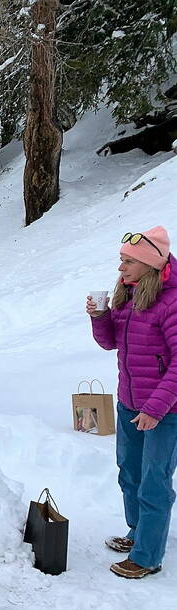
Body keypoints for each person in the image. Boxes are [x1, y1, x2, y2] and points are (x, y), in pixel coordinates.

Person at [88, 226, 176, 579]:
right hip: (129, 404)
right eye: (121, 260)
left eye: (127, 261)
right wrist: (99, 317)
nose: (120, 268)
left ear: (148, 264)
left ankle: (148, 556)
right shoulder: (128, 294)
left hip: (165, 411)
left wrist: (155, 409)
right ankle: (138, 533)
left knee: (155, 482)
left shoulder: (170, 303)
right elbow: (111, 343)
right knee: (130, 473)